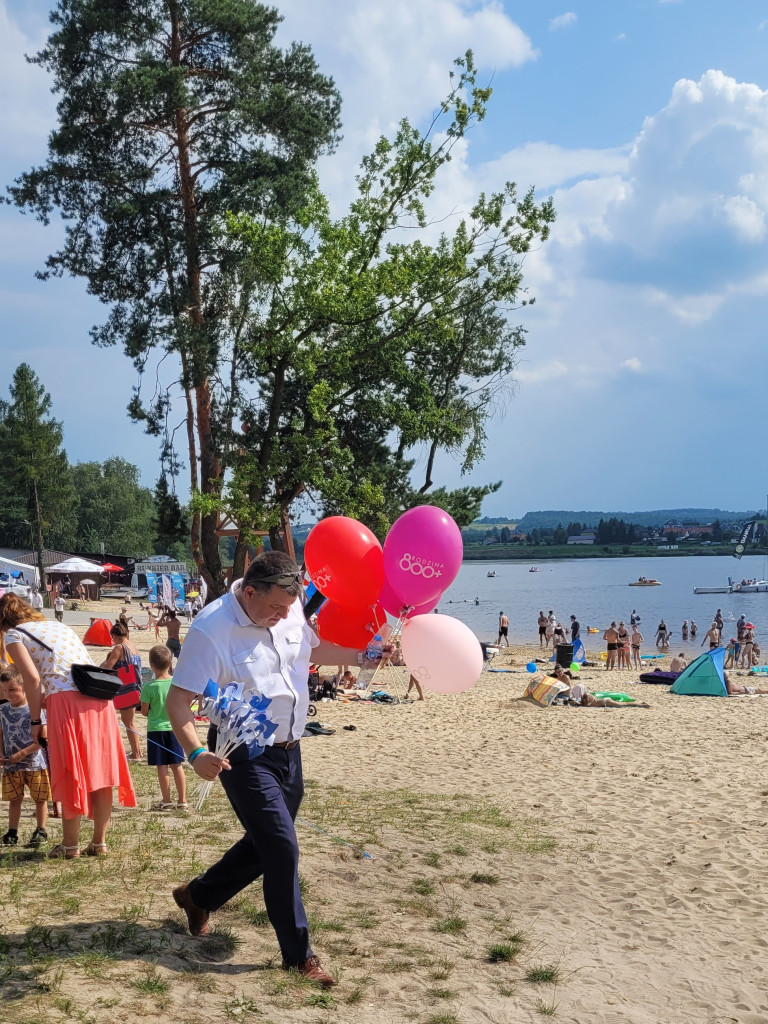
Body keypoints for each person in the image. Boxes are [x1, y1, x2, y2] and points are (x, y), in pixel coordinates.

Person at [165, 551, 362, 987]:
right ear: (249, 591)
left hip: (291, 751)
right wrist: (196, 754)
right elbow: (177, 701)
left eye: (288, 608)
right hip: (242, 752)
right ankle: (299, 957)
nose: (282, 615)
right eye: (275, 607)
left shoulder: (288, 610)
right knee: (281, 847)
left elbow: (314, 647)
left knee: (266, 844)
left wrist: (363, 655)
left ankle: (198, 895)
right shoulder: (211, 629)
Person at [0, 593, 136, 858]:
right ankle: (99, 842)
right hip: (98, 695)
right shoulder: (58, 625)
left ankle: (70, 844)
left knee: (69, 769)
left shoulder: (14, 635)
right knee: (101, 771)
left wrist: (36, 720)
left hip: (65, 701)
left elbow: (31, 678)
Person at [0, 664, 50, 847]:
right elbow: (1, 733)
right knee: (14, 799)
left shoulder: (35, 710)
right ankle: (12, 831)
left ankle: (41, 830)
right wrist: (2, 754)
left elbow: (42, 740)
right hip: (11, 765)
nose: (9, 694)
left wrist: (22, 753)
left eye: (13, 689)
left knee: (40, 797)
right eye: (5, 690)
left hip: (34, 763)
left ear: (25, 688)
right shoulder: (3, 710)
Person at [140, 644, 187, 812]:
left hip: (156, 730)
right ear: (170, 664)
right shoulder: (176, 683)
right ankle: (182, 801)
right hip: (175, 729)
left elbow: (144, 712)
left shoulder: (149, 687)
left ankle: (167, 801)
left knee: (162, 766)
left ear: (152, 665)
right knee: (177, 765)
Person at [101, 622, 144, 762]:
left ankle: (135, 754)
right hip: (135, 688)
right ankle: (137, 751)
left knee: (128, 722)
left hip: (125, 690)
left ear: (114, 635)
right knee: (130, 721)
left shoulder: (119, 647)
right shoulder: (133, 647)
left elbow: (108, 667)